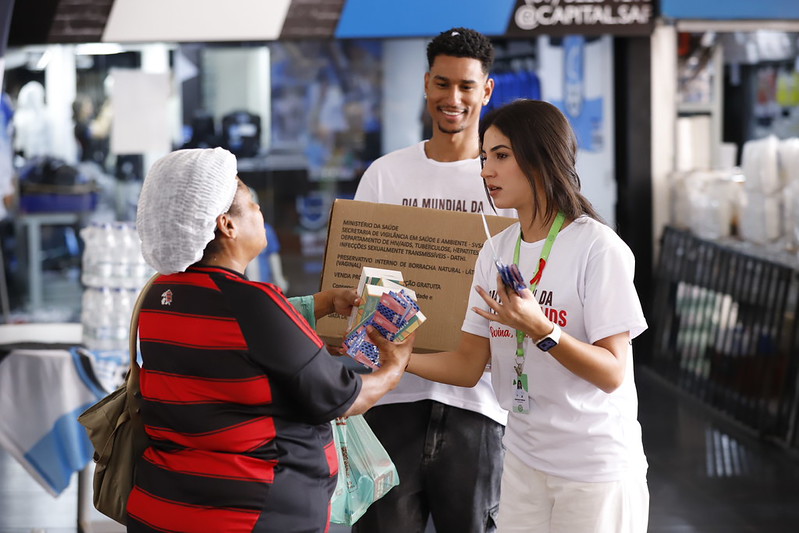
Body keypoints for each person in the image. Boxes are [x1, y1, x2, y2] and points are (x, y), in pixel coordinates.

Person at [127, 147, 414, 532]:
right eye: (252, 204)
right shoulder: (252, 302)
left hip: (164, 507)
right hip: (249, 514)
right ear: (226, 224)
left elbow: (231, 335)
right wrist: (395, 367)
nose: (262, 212)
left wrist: (324, 303)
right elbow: (339, 397)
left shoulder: (160, 296)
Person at [407, 99, 650, 533]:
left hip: (594, 470)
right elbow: (466, 365)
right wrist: (396, 356)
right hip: (521, 460)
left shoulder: (598, 248)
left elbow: (612, 373)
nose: (486, 172)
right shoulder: (496, 250)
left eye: (501, 156)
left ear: (541, 156)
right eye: (484, 158)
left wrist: (540, 328)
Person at [352, 27, 514, 533]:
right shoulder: (385, 175)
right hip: (391, 399)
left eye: (467, 86)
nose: (453, 98)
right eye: (442, 84)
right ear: (426, 84)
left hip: (479, 404)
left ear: (487, 90)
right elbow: (356, 284)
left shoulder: (506, 181)